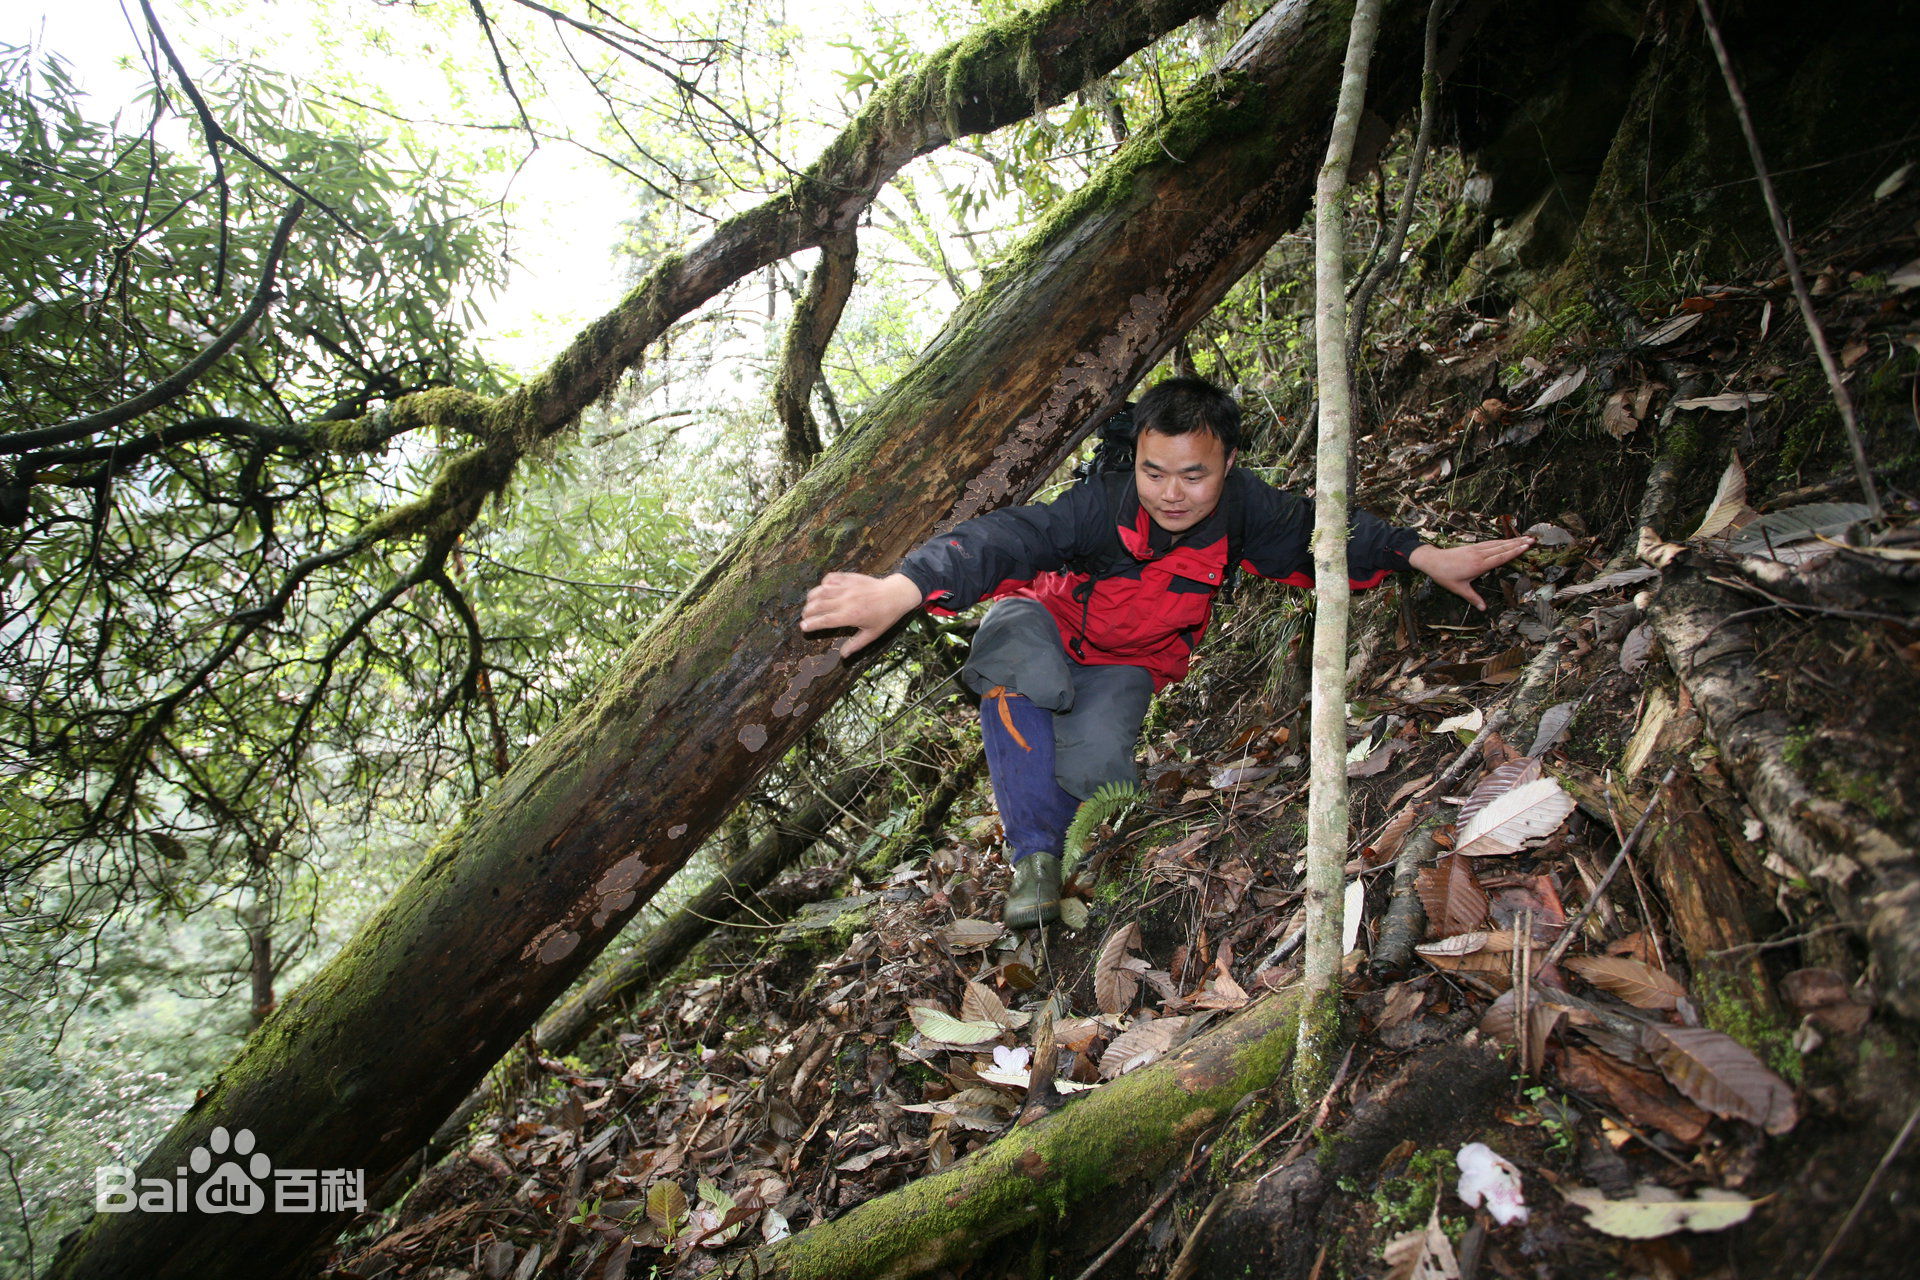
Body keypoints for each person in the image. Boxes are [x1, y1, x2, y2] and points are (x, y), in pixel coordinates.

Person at [800, 377, 1534, 927]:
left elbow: (1327, 534)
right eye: (1154, 472)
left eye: (1194, 474)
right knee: (1018, 666)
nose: (1171, 494)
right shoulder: (1101, 505)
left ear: (1228, 462)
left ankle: (1064, 853)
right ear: (1137, 461)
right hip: (1044, 620)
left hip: (1128, 662)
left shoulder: (1246, 509)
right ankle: (1033, 860)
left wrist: (1423, 555)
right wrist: (904, 587)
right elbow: (1007, 540)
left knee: (1095, 771)